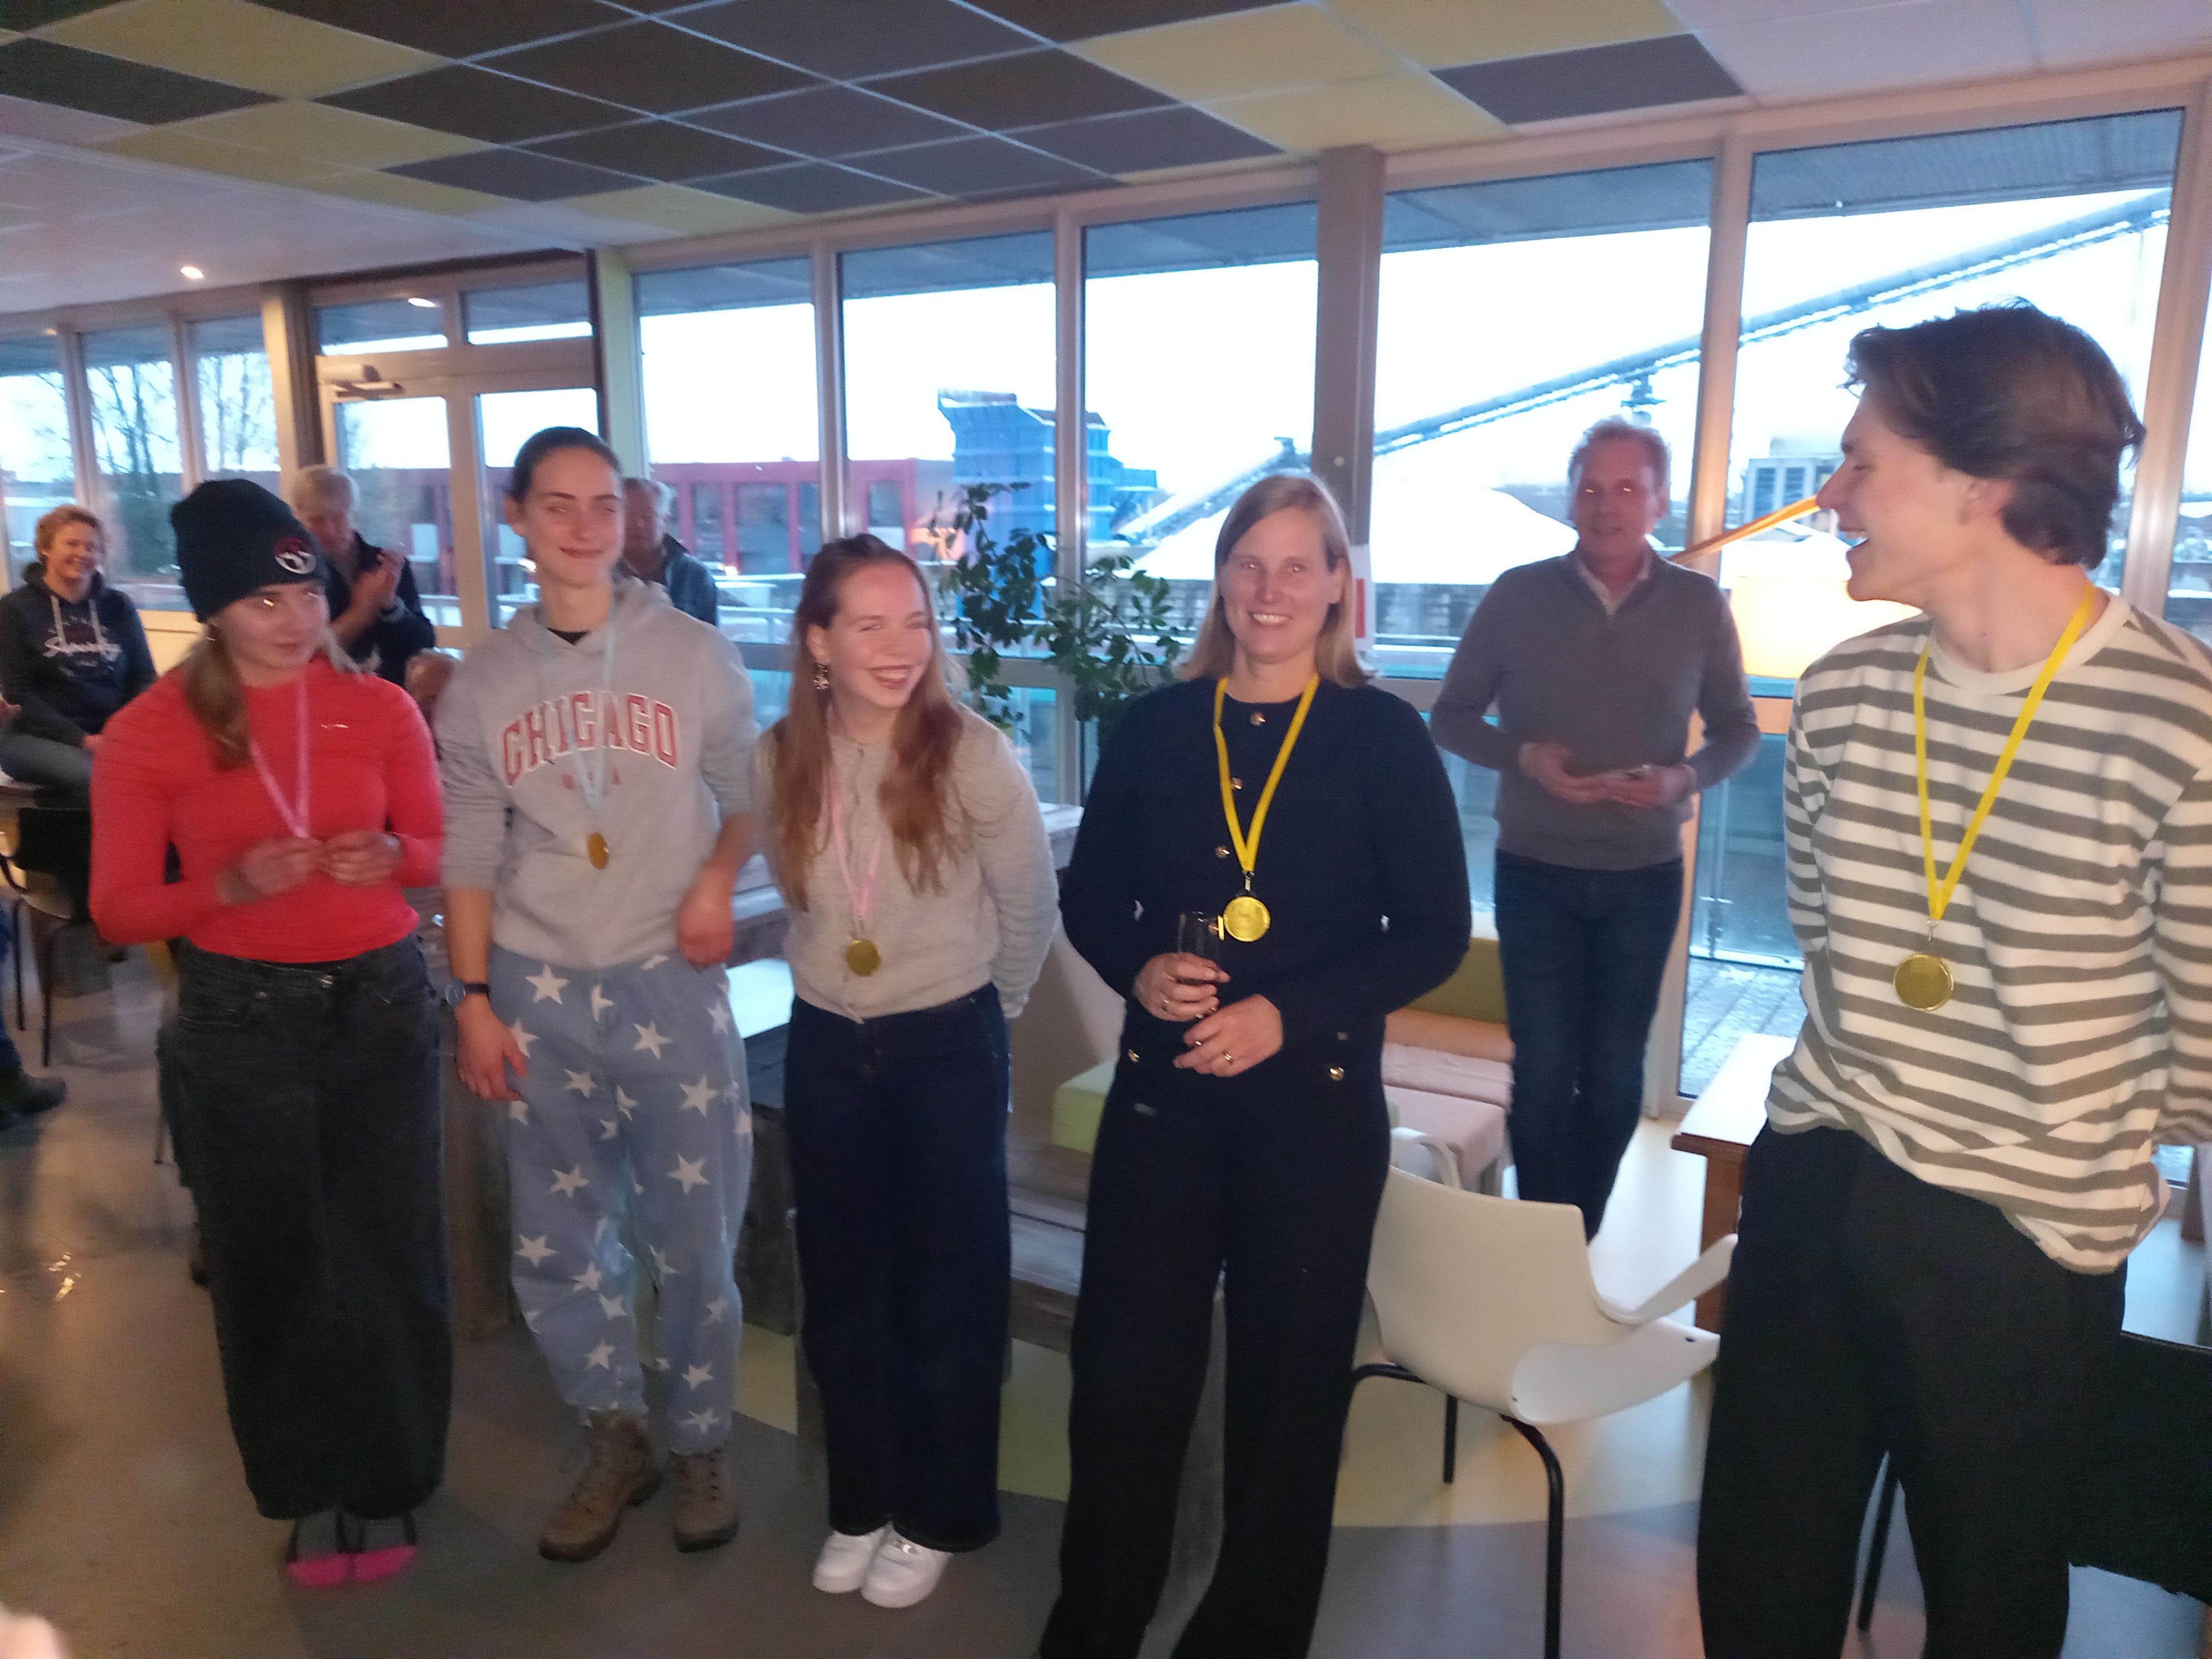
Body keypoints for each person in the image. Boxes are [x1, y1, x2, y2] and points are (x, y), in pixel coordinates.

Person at [1696, 304, 2212, 1657]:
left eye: (1859, 462)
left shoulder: (2178, 721)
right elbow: (1823, 940)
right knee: (1755, 1580)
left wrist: (2047, 1118)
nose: (1830, 495)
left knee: (1990, 1603)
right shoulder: (1841, 691)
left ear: (1980, 482)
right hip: (1816, 1179)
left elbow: (2206, 1058)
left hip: (2019, 1247)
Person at [1040, 475, 1470, 1659]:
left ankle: (1250, 1635)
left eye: (1296, 566)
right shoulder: (1154, 727)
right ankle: (1096, 1624)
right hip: (1162, 1104)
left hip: (1312, 1114)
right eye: (1247, 563)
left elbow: (1433, 933)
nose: (1269, 590)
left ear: (1337, 586)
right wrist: (1137, 969)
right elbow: (1090, 897)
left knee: (1288, 1403)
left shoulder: (1381, 737)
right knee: (1123, 1379)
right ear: (1220, 579)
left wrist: (1290, 1015)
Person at [90, 478, 447, 1585]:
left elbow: (436, 850)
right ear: (212, 608)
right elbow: (118, 910)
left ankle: (390, 1482)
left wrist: (395, 857)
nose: (296, 619)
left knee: (389, 1250)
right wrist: (227, 886)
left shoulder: (379, 709)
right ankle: (306, 1488)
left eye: (306, 593)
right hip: (242, 1015)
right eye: (263, 601)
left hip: (381, 1000)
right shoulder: (151, 732)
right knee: (271, 1262)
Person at [438, 427, 757, 1564]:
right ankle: (613, 1434)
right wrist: (472, 996)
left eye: (603, 505)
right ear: (517, 515)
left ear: (629, 518)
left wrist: (716, 882)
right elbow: (469, 847)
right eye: (558, 505)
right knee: (558, 1238)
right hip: (536, 989)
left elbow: (751, 797)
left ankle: (701, 1438)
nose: (584, 527)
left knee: (697, 1239)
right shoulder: (483, 682)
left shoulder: (696, 655)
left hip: (669, 979)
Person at [759, 534, 1055, 1610]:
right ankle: (862, 1499)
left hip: (946, 1045)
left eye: (916, 623)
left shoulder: (971, 753)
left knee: (949, 1287)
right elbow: (802, 893)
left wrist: (986, 1017)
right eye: (870, 624)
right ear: (818, 642)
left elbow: (1029, 907)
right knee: (843, 1283)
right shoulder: (778, 755)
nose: (899, 647)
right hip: (827, 1045)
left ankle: (942, 1511)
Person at [1431, 418, 1757, 1237]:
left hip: (1644, 877)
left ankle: (1576, 1233)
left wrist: (1684, 778)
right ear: (1570, 500)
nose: (1606, 505)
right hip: (1534, 870)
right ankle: (1543, 1242)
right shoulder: (1517, 595)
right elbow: (1452, 717)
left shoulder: (1698, 605)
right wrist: (1525, 758)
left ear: (1659, 502)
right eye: (1590, 488)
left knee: (1612, 1078)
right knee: (1543, 1073)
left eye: (1626, 488)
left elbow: (1739, 730)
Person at [0, 504, 156, 800]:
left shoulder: (118, 606)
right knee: (101, 775)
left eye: (91, 547)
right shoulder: (14, 609)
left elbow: (144, 676)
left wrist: (126, 731)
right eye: (72, 544)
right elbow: (19, 693)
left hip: (113, 733)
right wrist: (83, 740)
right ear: (45, 549)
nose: (82, 553)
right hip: (34, 738)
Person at [288, 465, 437, 686]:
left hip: (392, 691)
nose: (329, 530)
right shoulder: (293, 575)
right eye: (317, 520)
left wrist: (390, 606)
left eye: (338, 518)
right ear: (299, 520)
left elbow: (424, 643)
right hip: (326, 692)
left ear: (355, 517)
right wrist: (360, 614)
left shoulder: (386, 565)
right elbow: (302, 653)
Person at [620, 476, 721, 628]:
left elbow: (712, 637)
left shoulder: (695, 576)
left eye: (647, 516)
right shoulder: (600, 572)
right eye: (628, 515)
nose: (638, 524)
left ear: (665, 521)